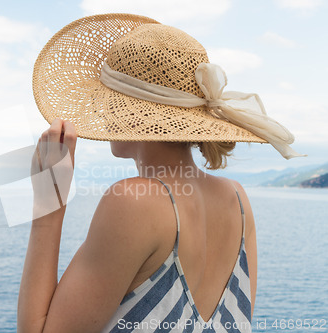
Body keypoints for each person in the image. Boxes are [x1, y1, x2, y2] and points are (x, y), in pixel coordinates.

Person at [18, 13, 304, 333]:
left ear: (124, 111)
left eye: (105, 99)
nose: (99, 109)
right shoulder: (238, 199)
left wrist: (48, 203)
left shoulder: (133, 202)